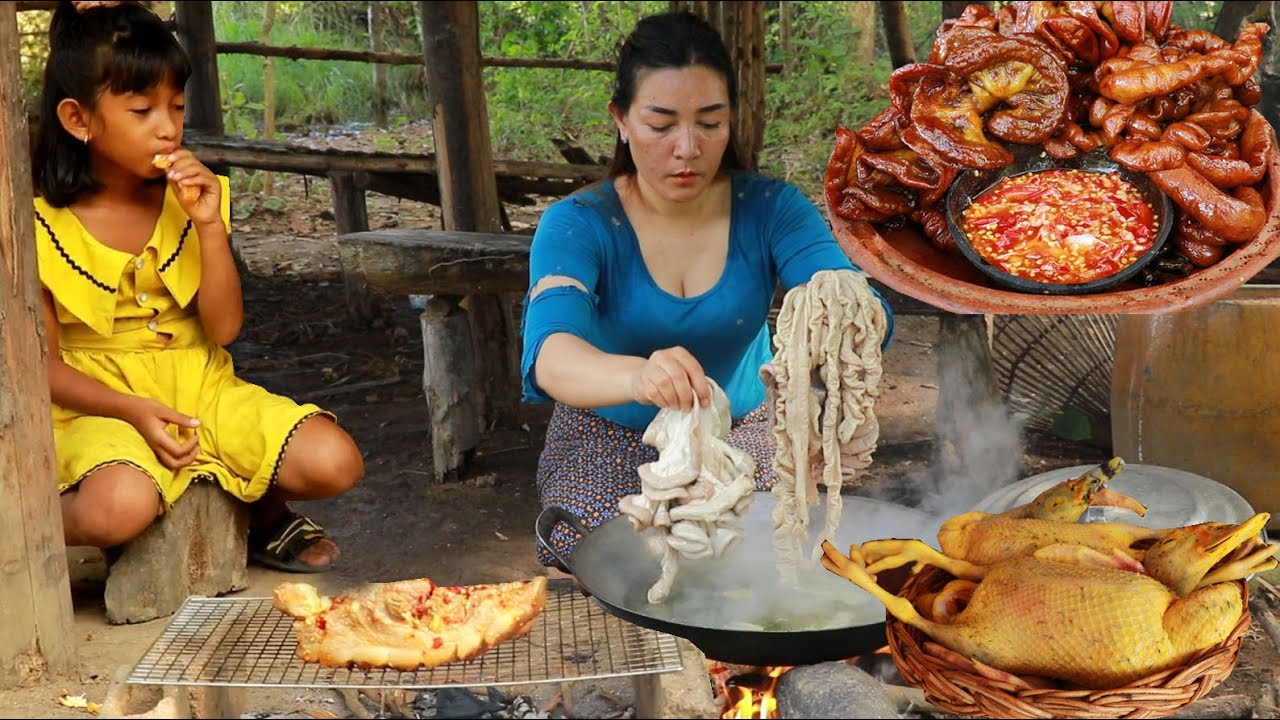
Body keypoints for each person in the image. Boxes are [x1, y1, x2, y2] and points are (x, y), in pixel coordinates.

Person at [521, 10, 895, 570]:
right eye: (661, 125)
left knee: (762, 549)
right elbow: (551, 355)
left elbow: (850, 299)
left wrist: (850, 318)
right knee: (612, 558)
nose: (687, 148)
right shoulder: (579, 224)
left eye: (710, 123)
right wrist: (639, 377)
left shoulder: (772, 209)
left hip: (749, 427)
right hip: (609, 428)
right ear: (621, 120)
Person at [32, 0, 364, 573]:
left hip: (201, 388)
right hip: (97, 407)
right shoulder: (38, 226)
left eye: (177, 106)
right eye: (142, 110)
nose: (168, 126)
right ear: (78, 119)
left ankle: (258, 513)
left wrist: (209, 225)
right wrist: (132, 409)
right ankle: (24, 517)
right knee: (119, 507)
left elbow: (225, 328)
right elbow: (43, 367)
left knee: (336, 461)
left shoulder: (191, 203)